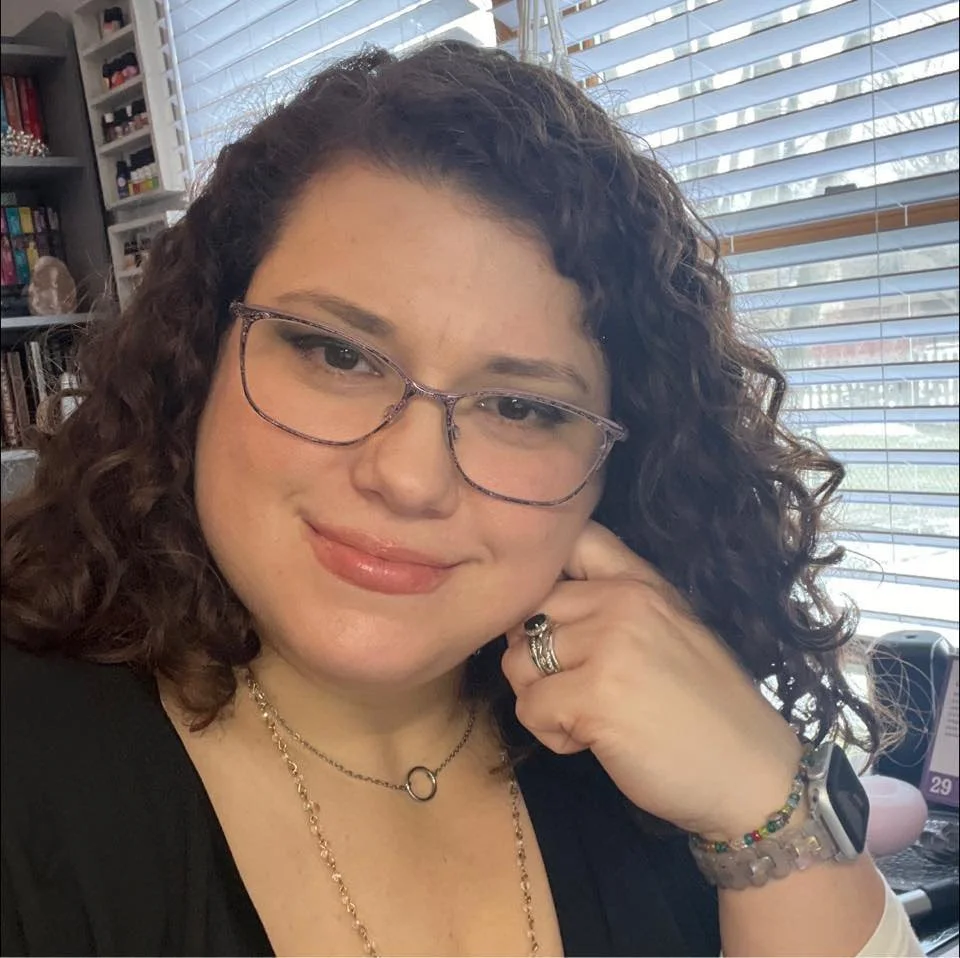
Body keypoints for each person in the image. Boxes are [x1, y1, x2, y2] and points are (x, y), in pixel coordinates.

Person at [0, 41, 921, 957]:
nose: (407, 477)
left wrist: (767, 806)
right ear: (199, 355)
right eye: (336, 354)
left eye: (521, 407)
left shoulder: (641, 750)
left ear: (615, 468)